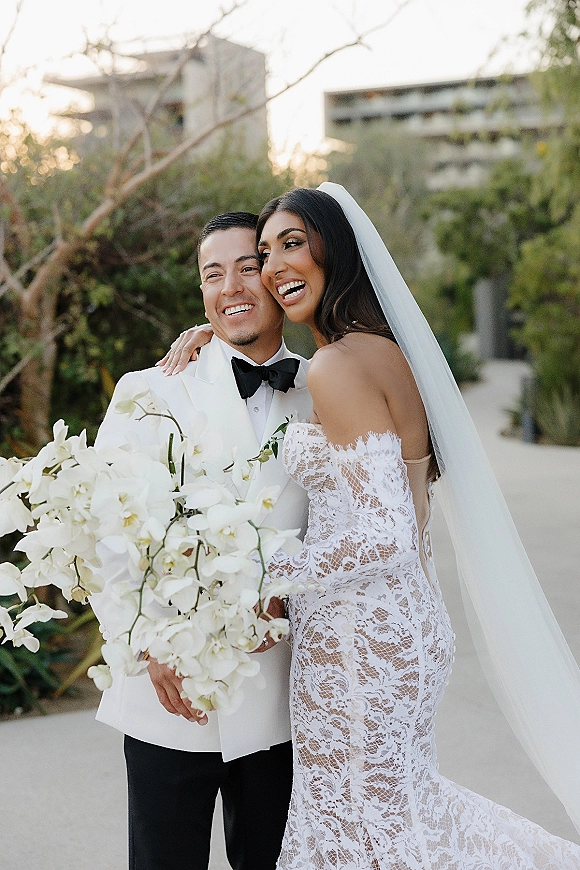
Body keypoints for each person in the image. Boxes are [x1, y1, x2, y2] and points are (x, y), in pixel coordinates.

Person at [163, 185, 580, 868]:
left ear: (337, 247)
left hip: (358, 639)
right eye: (264, 253)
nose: (272, 267)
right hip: (401, 624)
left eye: (292, 244)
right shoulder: (382, 351)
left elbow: (383, 533)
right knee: (396, 816)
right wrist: (216, 336)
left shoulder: (336, 365)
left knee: (365, 830)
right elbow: (401, 512)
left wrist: (260, 574)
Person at [90, 211, 312, 870]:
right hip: (169, 692)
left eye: (247, 266)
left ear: (276, 274)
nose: (231, 286)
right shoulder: (151, 388)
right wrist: (148, 640)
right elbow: (110, 532)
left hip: (279, 699)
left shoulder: (323, 390)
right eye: (213, 275)